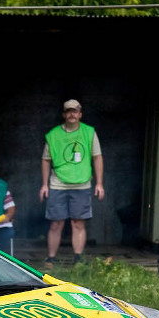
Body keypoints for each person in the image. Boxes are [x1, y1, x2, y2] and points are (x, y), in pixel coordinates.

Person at [40, 99, 104, 265]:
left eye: (75, 111)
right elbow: (45, 160)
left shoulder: (89, 132)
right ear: (64, 114)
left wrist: (99, 183)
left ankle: (77, 260)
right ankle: (51, 258)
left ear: (80, 114)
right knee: (56, 223)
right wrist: (44, 185)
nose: (72, 114)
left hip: (82, 184)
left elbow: (97, 157)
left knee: (78, 223)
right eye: (68, 111)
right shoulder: (53, 135)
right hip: (57, 183)